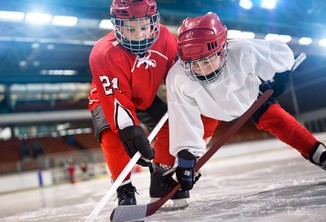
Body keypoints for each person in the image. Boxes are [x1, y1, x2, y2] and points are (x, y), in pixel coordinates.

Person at [166, 12, 326, 191]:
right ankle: (170, 180)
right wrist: (186, 155)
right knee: (192, 150)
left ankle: (319, 154)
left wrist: (280, 75)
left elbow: (280, 55)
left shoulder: (243, 50)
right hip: (207, 108)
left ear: (222, 48)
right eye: (193, 63)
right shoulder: (178, 77)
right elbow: (183, 116)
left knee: (277, 119)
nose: (200, 70)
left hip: (248, 98)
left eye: (206, 61)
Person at [88, 0, 189, 208]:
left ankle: (161, 178)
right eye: (130, 29)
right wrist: (129, 130)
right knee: (111, 135)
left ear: (154, 22)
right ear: (117, 26)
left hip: (145, 95)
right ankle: (124, 189)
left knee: (171, 125)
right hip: (109, 97)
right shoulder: (103, 53)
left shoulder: (166, 40)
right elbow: (115, 100)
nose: (139, 34)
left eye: (144, 27)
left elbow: (177, 78)